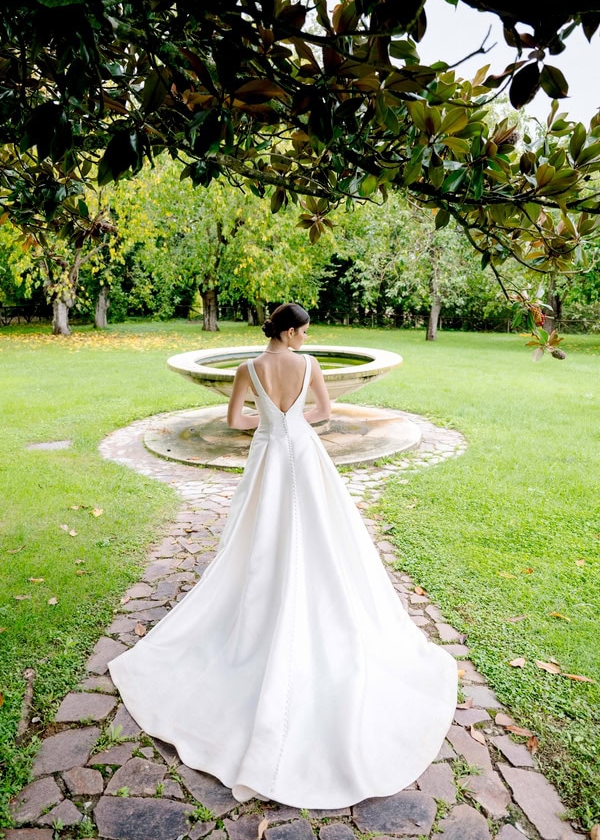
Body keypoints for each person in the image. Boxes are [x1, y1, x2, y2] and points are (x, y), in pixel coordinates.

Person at [108, 302, 457, 808]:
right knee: (321, 529)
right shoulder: (310, 366)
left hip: (268, 456)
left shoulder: (248, 368)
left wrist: (269, 422)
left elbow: (233, 420)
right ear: (290, 332)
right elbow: (324, 413)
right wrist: (293, 420)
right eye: (304, 331)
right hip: (305, 455)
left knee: (259, 532)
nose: (307, 339)